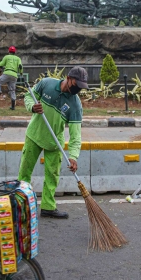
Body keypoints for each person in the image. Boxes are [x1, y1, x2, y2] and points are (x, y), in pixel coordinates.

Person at [18, 66, 89, 219]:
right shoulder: (47, 84)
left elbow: (76, 135)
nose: (78, 90)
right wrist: (32, 106)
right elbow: (28, 96)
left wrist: (73, 156)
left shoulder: (76, 105)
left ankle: (48, 207)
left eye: (81, 88)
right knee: (25, 171)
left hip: (54, 141)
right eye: (76, 85)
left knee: (52, 175)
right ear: (69, 78)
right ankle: (20, 204)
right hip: (34, 135)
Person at [0, 46, 23, 110]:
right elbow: (20, 66)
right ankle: (13, 107)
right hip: (14, 75)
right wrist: (21, 72)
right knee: (12, 90)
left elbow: (0, 65)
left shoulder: (6, 57)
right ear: (15, 52)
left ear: (8, 51)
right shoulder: (18, 58)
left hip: (7, 73)